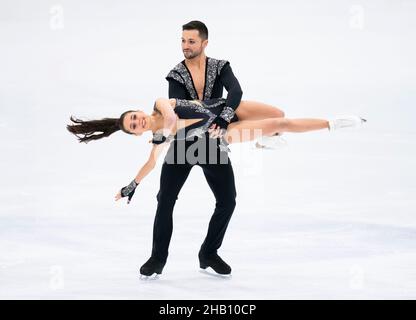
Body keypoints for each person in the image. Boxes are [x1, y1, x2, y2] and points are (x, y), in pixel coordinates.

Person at [67, 97, 366, 274]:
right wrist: (132, 184)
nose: (138, 122)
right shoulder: (158, 138)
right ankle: (333, 124)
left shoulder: (161, 104)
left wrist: (167, 126)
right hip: (217, 135)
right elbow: (150, 162)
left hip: (224, 108)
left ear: (138, 111)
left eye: (134, 118)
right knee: (281, 125)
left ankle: (265, 141)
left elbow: (170, 114)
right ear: (135, 134)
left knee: (277, 114)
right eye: (133, 127)